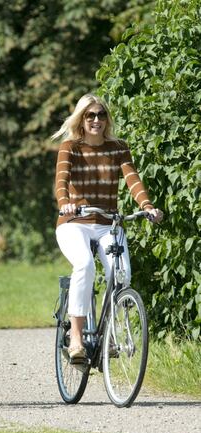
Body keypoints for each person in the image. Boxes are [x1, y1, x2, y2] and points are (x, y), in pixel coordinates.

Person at [52, 93, 162, 359]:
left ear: (107, 119)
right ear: (81, 119)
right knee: (85, 265)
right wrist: (65, 202)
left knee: (121, 275)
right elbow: (61, 181)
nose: (96, 120)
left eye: (101, 115)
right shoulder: (70, 147)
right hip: (74, 222)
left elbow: (132, 178)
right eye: (90, 115)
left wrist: (147, 206)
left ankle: (110, 335)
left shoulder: (118, 147)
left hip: (107, 224)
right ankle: (76, 339)